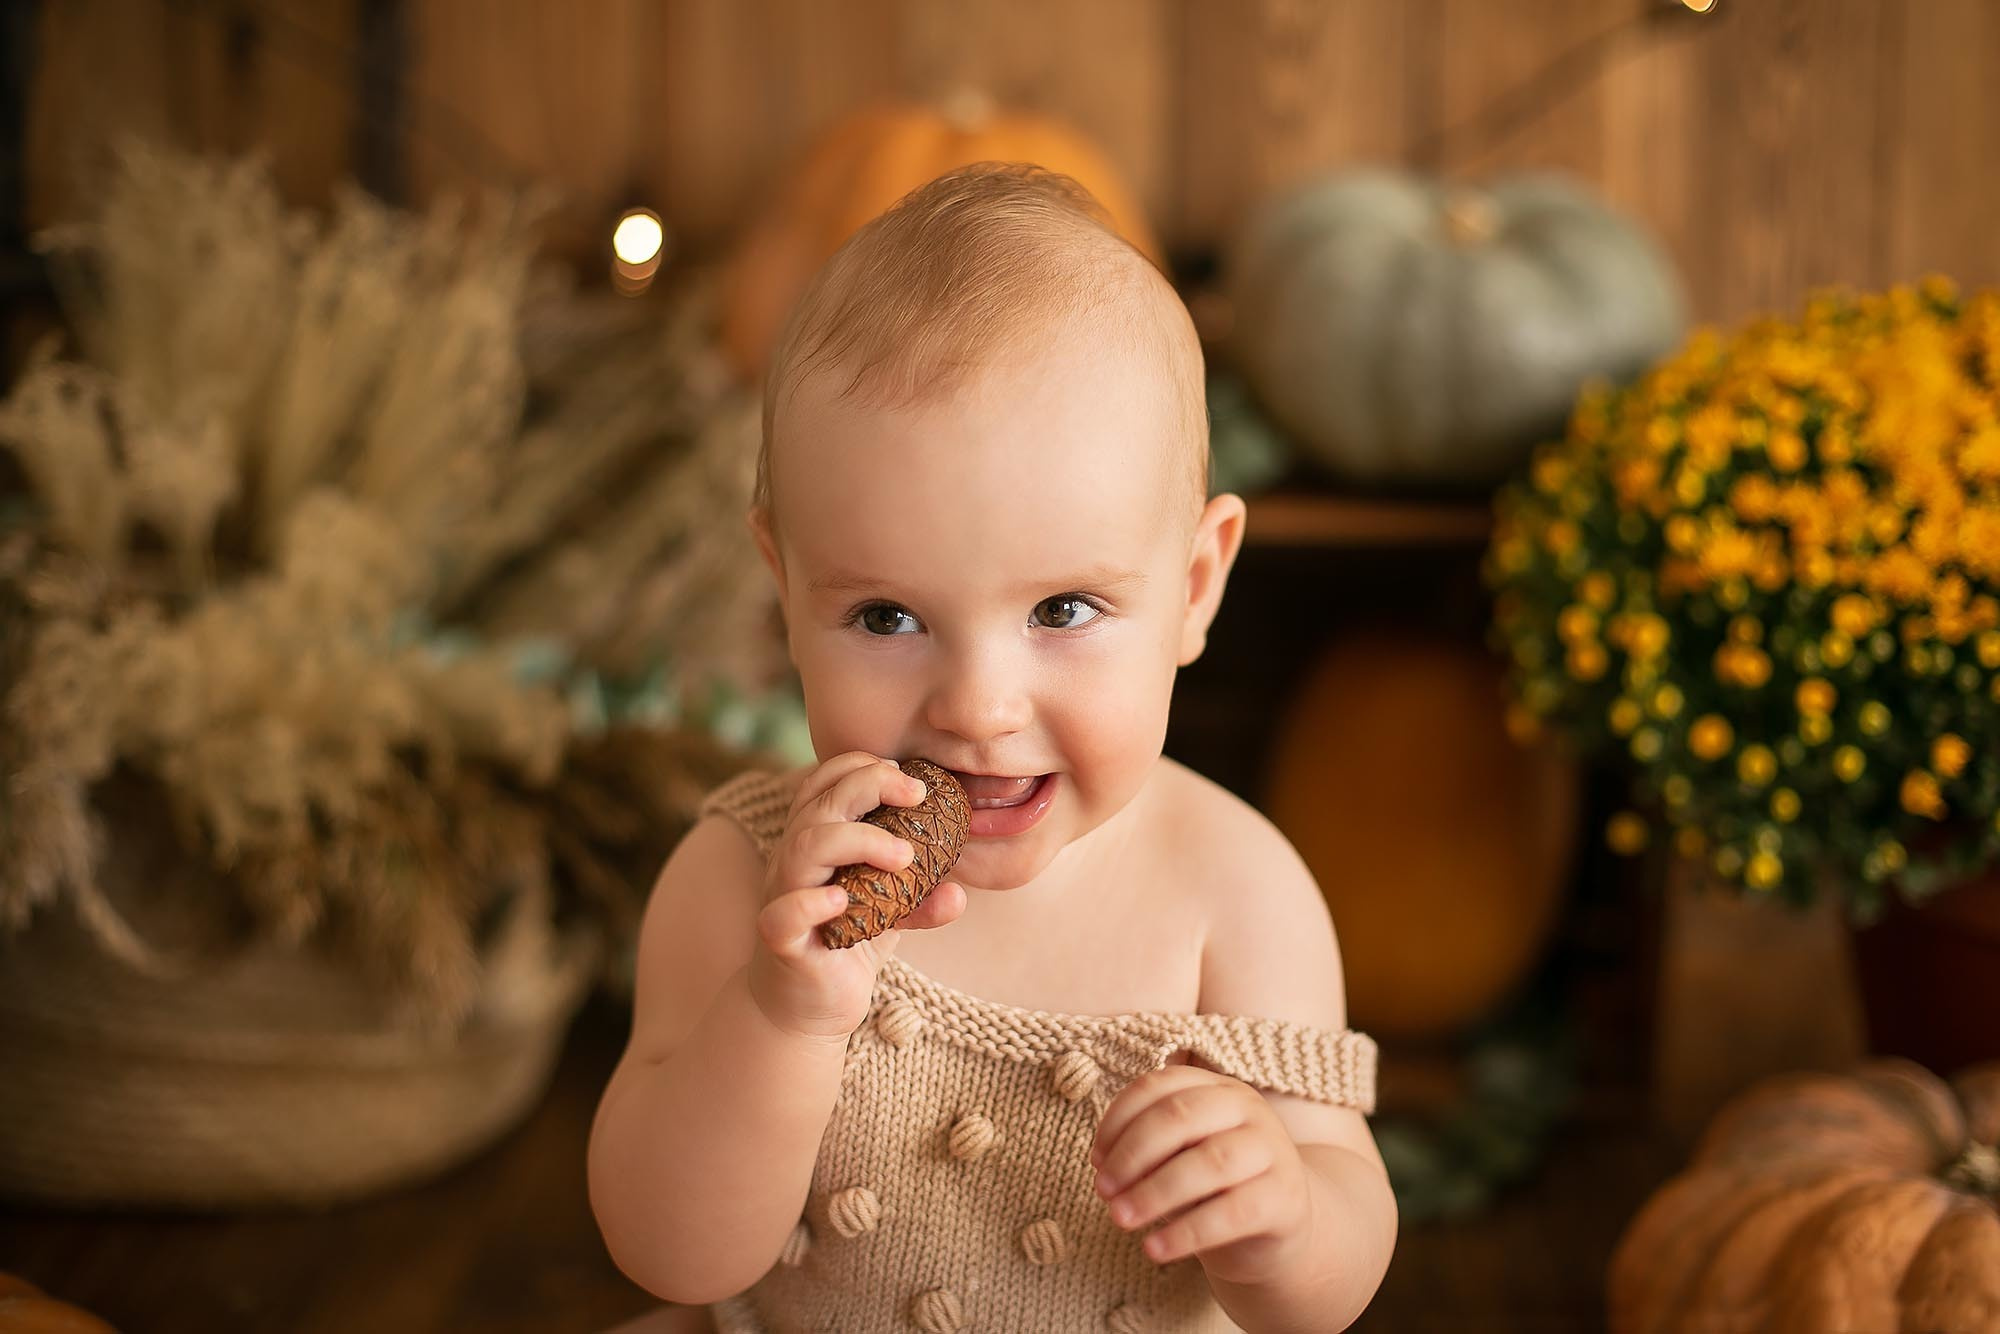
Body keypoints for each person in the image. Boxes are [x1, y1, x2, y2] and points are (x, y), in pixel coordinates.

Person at [587, 161, 1394, 1333]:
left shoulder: (1236, 891)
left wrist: (1285, 1214)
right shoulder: (739, 878)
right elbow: (671, 1252)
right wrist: (781, 1014)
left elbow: (1327, 1281)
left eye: (1062, 609)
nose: (975, 704)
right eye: (886, 617)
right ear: (785, 590)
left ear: (1191, 587)